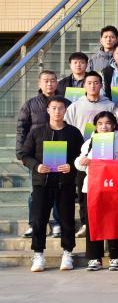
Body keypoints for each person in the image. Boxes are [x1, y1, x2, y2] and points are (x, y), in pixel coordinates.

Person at [19, 96, 83, 272]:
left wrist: (71, 165)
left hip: (65, 182)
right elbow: (24, 154)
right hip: (42, 182)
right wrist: (37, 166)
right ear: (48, 110)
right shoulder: (37, 132)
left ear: (65, 110)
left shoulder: (73, 133)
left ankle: (67, 253)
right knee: (39, 219)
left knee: (67, 219)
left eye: (60, 108)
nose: (57, 111)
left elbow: (82, 155)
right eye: (53, 108)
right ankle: (38, 254)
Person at [75, 111, 118, 271]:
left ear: (114, 125)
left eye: (107, 123)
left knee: (115, 222)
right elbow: (79, 163)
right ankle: (94, 258)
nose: (103, 127)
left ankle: (116, 256)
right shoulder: (90, 142)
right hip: (92, 187)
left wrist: (110, 162)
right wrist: (83, 161)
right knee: (93, 222)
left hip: (114, 188)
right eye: (100, 124)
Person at [64, 70, 113, 238]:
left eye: (96, 83)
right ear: (84, 85)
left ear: (101, 85)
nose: (93, 86)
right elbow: (68, 128)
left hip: (106, 155)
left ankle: (106, 222)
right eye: (89, 83)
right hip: (83, 154)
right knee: (83, 190)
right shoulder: (75, 106)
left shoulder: (109, 105)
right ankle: (86, 222)